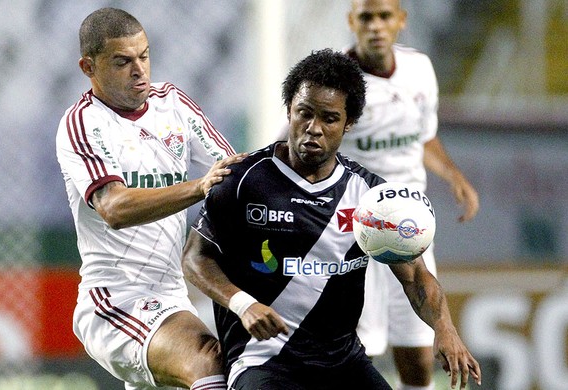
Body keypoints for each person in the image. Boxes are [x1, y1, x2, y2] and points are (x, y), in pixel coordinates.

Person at [182, 48, 481, 390]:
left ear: (349, 123)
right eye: (304, 114)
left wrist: (445, 328)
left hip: (342, 362)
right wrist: (243, 303)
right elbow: (195, 257)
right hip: (263, 359)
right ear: (289, 111)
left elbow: (414, 277)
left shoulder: (370, 197)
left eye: (329, 118)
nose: (313, 129)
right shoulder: (242, 180)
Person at [55, 7, 246, 390]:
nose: (139, 70)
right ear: (88, 67)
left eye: (144, 56)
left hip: (171, 294)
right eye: (123, 61)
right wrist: (197, 187)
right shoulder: (83, 123)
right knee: (207, 360)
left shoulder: (172, 105)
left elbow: (232, 174)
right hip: (115, 300)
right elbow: (114, 208)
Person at [340, 1, 481, 389]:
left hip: (410, 222)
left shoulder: (419, 69)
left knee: (418, 354)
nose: (376, 26)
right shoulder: (338, 78)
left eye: (385, 16)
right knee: (358, 349)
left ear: (401, 20)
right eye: (366, 17)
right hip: (354, 225)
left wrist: (454, 175)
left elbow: (423, 136)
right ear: (352, 22)